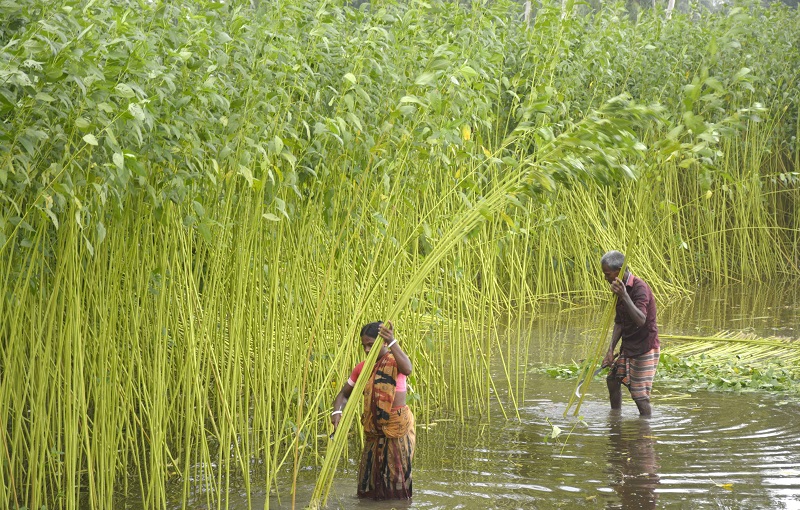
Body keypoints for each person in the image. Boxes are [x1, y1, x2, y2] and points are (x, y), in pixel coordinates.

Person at [330, 321, 415, 500]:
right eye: (364, 346)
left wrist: (393, 341)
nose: (367, 349)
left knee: (396, 489)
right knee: (369, 486)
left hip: (396, 431)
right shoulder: (362, 368)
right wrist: (337, 412)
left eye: (371, 344)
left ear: (383, 342)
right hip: (373, 432)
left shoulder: (395, 362)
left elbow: (408, 368)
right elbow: (343, 395)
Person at [600, 250, 660, 416]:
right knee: (612, 380)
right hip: (629, 346)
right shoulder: (620, 289)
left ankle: (644, 431)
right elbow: (619, 322)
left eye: (608, 274)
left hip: (644, 348)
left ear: (619, 271)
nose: (606, 278)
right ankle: (615, 418)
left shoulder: (640, 288)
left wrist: (624, 295)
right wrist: (610, 350)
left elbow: (640, 320)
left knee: (640, 397)